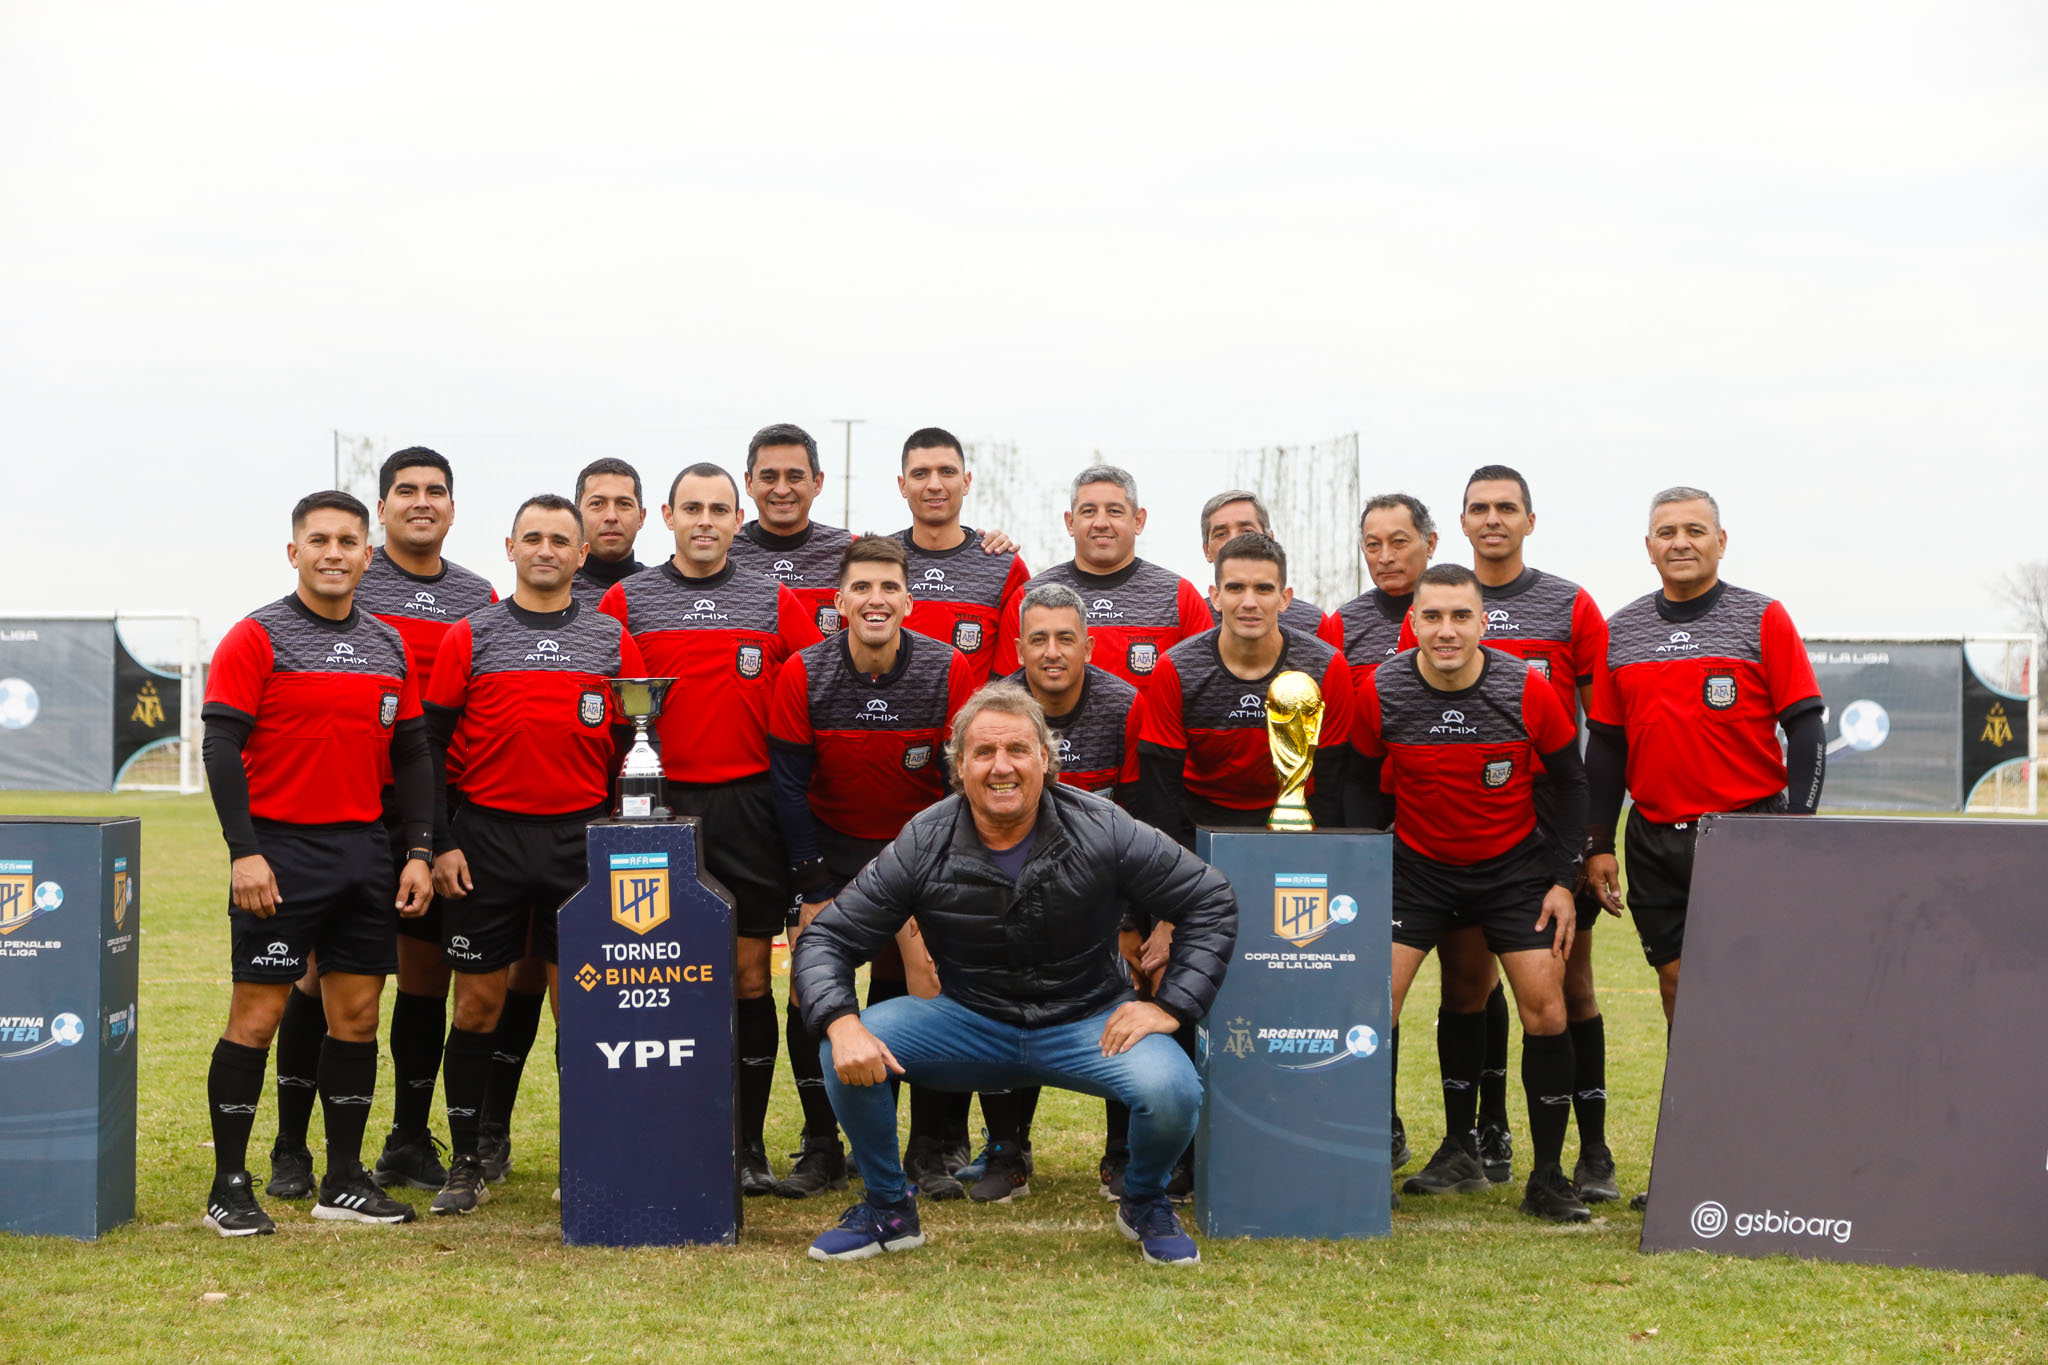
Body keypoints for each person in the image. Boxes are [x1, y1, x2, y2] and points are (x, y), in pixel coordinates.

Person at [792, 684, 1237, 1266]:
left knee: (1172, 1089)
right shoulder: (924, 838)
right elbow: (828, 936)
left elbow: (1209, 898)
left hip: (1088, 1021)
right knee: (841, 1047)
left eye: (1018, 750)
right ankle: (888, 1210)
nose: (1001, 767)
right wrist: (840, 1019)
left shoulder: (1103, 826)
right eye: (983, 752)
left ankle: (1144, 1199)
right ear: (959, 766)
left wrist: (1170, 1007)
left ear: (1045, 759)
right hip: (969, 1020)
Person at [1582, 487, 1825, 1212]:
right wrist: (1598, 842)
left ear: (1722, 541)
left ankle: (1777, 1153)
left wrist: (1796, 829)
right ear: (1648, 547)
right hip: (1655, 838)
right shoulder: (1621, 629)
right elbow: (1607, 749)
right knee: (1679, 996)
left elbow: (1806, 727)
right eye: (1666, 531)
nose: (1680, 541)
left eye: (1695, 529)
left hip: (1747, 835)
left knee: (1756, 1001)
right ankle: (1700, 1159)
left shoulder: (1761, 616)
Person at [199, 490, 435, 1235]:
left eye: (347, 541)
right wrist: (245, 853)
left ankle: (343, 1180)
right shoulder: (256, 636)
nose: (334, 553)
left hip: (364, 851)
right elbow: (220, 747)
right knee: (258, 1015)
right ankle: (228, 1186)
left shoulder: (389, 644)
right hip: (280, 852)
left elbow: (413, 753)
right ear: (294, 552)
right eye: (320, 540)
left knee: (357, 1016)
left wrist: (418, 851)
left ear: (368, 554)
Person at [266, 448, 498, 1202]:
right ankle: (292, 1146)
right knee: (316, 977)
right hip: (347, 813)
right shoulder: (351, 577)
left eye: (436, 491)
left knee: (424, 980)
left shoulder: (477, 594)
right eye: (406, 491)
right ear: (382, 510)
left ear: (453, 508)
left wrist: (437, 833)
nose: (421, 502)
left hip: (431, 813)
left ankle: (407, 1137)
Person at [598, 462, 823, 1196]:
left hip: (750, 808)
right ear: (666, 516)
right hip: (658, 807)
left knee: (750, 974)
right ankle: (673, 1133)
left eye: (718, 509)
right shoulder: (627, 600)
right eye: (690, 508)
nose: (704, 520)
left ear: (737, 519)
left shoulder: (774, 601)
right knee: (661, 975)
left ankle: (747, 1144)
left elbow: (811, 689)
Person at [421, 495, 645, 1214]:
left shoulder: (612, 638)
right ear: (510, 547)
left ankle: (591, 1156)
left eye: (559, 540)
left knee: (578, 1010)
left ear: (582, 555)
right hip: (486, 840)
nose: (546, 550)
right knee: (477, 1003)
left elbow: (634, 742)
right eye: (533, 538)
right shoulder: (471, 634)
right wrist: (442, 841)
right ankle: (465, 1160)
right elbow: (429, 747)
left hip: (578, 841)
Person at [1351, 563, 1591, 1224]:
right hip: (1418, 869)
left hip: (1512, 871)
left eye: (1461, 615)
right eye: (1432, 616)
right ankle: (1367, 1165)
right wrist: (1364, 865)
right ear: (1413, 624)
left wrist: (1560, 878)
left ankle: (1548, 1177)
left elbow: (1572, 784)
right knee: (1371, 1004)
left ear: (1484, 622)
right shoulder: (1381, 689)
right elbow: (1359, 781)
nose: (1447, 630)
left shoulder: (1527, 688)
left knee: (1546, 1007)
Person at [769, 536, 979, 1200]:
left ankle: (924, 1147)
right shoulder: (803, 672)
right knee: (810, 986)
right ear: (839, 602)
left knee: (929, 986)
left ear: (909, 601)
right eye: (861, 587)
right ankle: (822, 1144)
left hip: (918, 854)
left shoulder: (948, 669)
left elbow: (958, 788)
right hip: (831, 854)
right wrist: (811, 885)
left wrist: (933, 881)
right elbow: (787, 787)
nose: (875, 599)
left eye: (889, 587)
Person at [1437, 465, 1615, 1200]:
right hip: (1472, 828)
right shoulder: (1444, 606)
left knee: (1569, 986)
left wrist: (1594, 841)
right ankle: (1482, 1135)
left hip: (1553, 829)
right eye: (1479, 508)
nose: (1493, 519)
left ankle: (1593, 1151)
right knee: (1470, 982)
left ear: (1529, 521)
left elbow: (1603, 732)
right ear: (1462, 521)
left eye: (1507, 507)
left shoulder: (1569, 604)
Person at [974, 581, 1145, 1203]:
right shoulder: (994, 707)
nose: (1052, 652)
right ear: (1019, 647)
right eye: (1039, 639)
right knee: (1002, 1004)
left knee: (1124, 1005)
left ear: (1088, 647)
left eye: (1065, 639)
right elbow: (968, 812)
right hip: (1013, 890)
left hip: (1104, 898)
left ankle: (1122, 1154)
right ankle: (1007, 1150)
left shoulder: (1126, 705)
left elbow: (1142, 820)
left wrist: (1133, 921)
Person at [1322, 491, 1437, 1171]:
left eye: (1400, 541)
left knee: (1473, 981)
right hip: (1373, 834)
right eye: (1373, 544)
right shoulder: (1345, 624)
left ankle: (1480, 1133)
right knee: (1369, 986)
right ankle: (1377, 1121)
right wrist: (1351, 837)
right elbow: (1341, 746)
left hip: (1448, 829)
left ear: (1430, 543)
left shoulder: (1456, 610)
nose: (1386, 556)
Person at [1134, 532, 1354, 845]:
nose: (1249, 603)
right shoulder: (1176, 668)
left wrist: (1318, 853)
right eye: (1235, 588)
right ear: (1215, 596)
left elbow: (1333, 780)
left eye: (1264, 588)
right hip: (1199, 823)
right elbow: (1161, 789)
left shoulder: (1327, 666)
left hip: (1297, 822)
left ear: (1285, 598)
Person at [993, 466, 1210, 692]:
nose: (1101, 522)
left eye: (1114, 511)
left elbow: (1205, 692)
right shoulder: (1027, 599)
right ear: (1070, 522)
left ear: (1138, 520)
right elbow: (1008, 697)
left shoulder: (1179, 597)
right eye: (1088, 511)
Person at [891, 427, 1031, 688]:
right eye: (920, 474)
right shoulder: (878, 561)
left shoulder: (1003, 565)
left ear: (966, 482)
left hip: (973, 716)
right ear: (903, 485)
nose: (934, 485)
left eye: (947, 472)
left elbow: (1014, 678)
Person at [726, 424, 856, 635]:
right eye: (768, 477)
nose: (781, 490)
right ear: (749, 483)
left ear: (817, 482)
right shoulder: (724, 552)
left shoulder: (852, 552)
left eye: (795, 477)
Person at [1198, 489, 1327, 635]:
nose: (1234, 540)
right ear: (1207, 551)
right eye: (1221, 534)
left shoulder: (1314, 624)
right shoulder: (1190, 621)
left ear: (1270, 539)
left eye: (1246, 531)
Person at [570, 458, 649, 606]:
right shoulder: (554, 592)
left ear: (641, 517)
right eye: (597, 504)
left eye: (624, 504)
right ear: (576, 517)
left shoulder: (665, 592)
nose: (611, 517)